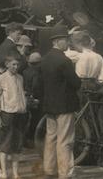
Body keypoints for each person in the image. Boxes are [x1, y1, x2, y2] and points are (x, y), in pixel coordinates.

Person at [38, 25, 81, 179]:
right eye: (66, 40)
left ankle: (49, 169)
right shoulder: (64, 61)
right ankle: (66, 173)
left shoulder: (45, 59)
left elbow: (40, 83)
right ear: (58, 41)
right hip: (65, 105)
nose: (68, 43)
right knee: (65, 140)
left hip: (50, 105)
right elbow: (76, 83)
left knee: (51, 138)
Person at [0, 55, 27, 179]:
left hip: (20, 113)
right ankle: (4, 172)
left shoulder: (20, 78)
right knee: (5, 143)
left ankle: (15, 173)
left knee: (17, 144)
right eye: (13, 64)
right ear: (7, 64)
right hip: (7, 113)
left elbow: (20, 95)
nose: (16, 67)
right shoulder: (0, 78)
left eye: (17, 65)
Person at [23, 52, 42, 147]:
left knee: (26, 119)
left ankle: (25, 139)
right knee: (35, 119)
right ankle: (32, 139)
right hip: (34, 98)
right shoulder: (37, 73)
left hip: (25, 97)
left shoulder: (25, 71)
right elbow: (36, 86)